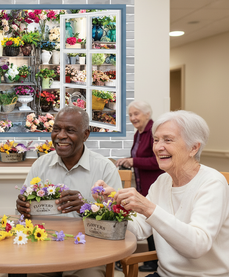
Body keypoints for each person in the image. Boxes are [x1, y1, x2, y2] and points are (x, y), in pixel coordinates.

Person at [96, 110, 229, 277]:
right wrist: (113, 203)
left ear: (193, 148)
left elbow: (197, 246)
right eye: (156, 140)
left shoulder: (212, 183)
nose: (158, 147)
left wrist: (148, 208)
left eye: (168, 140)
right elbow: (138, 230)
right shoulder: (162, 181)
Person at [16, 106, 122, 277]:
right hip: (43, 251)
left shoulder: (104, 169)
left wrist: (85, 209)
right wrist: (22, 207)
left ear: (86, 134)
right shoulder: (40, 165)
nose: (61, 136)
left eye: (70, 130)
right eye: (56, 129)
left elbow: (117, 222)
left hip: (88, 255)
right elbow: (22, 215)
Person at [115, 100, 163, 272]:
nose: (133, 118)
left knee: (154, 220)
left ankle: (155, 261)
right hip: (143, 185)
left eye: (136, 114)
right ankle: (152, 261)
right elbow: (138, 157)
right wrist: (127, 161)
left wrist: (132, 161)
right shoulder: (139, 133)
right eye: (130, 115)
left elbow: (157, 161)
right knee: (146, 219)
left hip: (154, 184)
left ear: (147, 114)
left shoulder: (153, 132)